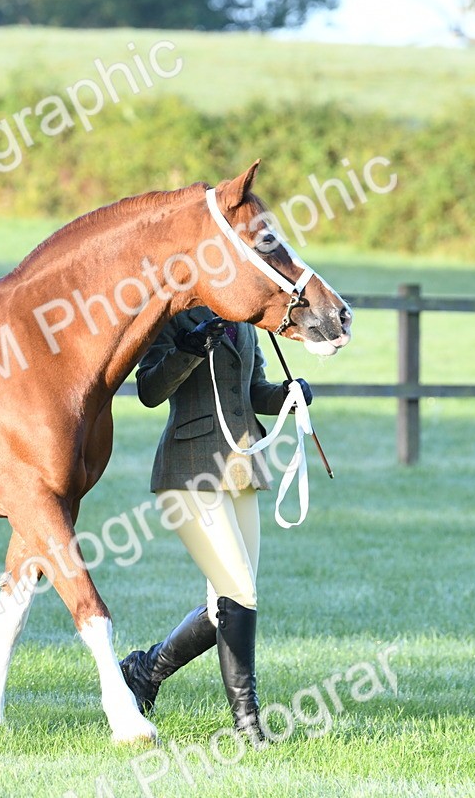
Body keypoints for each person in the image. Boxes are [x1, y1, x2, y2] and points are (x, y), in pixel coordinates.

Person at [119, 307, 312, 740]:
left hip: (241, 469)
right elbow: (149, 390)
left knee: (227, 605)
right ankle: (248, 725)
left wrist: (288, 395)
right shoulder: (169, 316)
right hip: (188, 470)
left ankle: (145, 671)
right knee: (238, 593)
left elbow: (254, 390)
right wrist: (188, 350)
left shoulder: (242, 317)